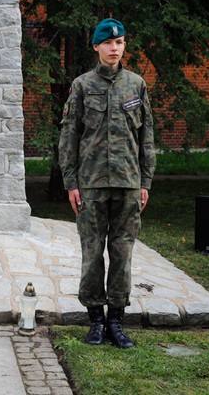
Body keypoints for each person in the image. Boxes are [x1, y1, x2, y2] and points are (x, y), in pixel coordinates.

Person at [57, 18, 156, 348]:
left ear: (124, 46)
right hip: (92, 183)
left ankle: (117, 319)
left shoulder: (136, 85)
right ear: (97, 47)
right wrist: (71, 182)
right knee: (92, 253)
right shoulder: (82, 85)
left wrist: (146, 181)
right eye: (109, 43)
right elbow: (69, 135)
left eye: (120, 42)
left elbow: (147, 137)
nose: (115, 48)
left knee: (122, 253)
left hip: (128, 183)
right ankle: (95, 320)